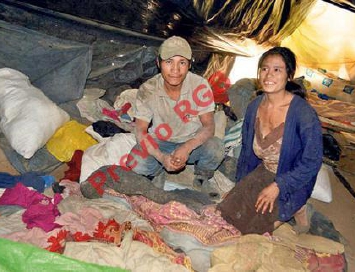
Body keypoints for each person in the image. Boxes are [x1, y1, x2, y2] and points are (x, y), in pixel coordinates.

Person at [217, 47, 323, 235]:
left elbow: (312, 162)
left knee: (256, 231)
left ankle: (298, 207)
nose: (268, 75)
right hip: (265, 171)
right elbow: (246, 154)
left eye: (277, 70)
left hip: (294, 178)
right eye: (264, 69)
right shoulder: (254, 106)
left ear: (289, 75)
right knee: (227, 215)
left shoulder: (303, 114)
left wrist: (278, 187)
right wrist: (240, 188)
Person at [126, 36, 224, 197]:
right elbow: (141, 131)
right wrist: (161, 156)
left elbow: (208, 126)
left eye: (182, 62)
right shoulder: (148, 89)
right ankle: (159, 171)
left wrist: (187, 147)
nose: (175, 69)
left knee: (217, 148)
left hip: (191, 141)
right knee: (135, 162)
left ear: (189, 65)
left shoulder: (200, 85)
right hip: (161, 142)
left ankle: (201, 177)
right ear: (158, 63)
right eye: (169, 62)